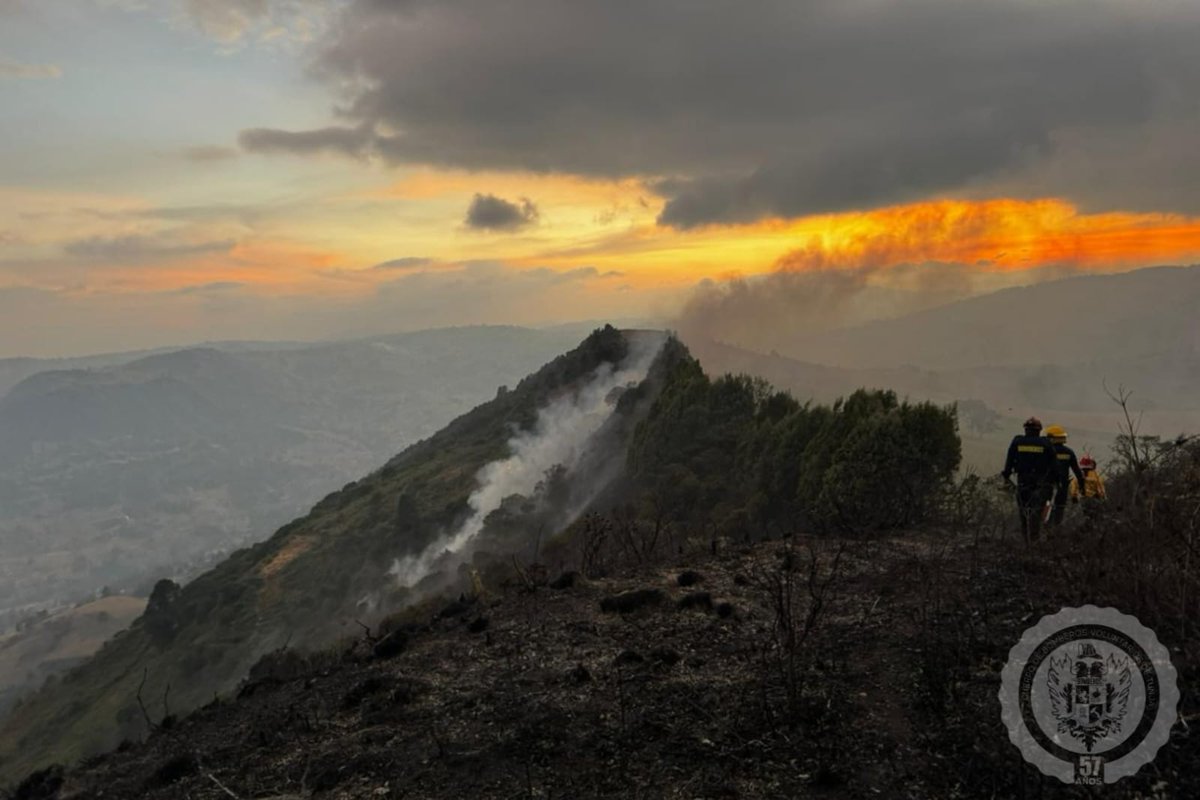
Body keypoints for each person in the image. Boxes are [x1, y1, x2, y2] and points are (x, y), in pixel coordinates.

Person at [1001, 417, 1059, 544]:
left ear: (1025, 429)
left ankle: (1025, 541)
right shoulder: (1046, 443)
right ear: (1039, 430)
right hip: (1040, 484)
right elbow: (1054, 467)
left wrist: (1006, 476)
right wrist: (1055, 483)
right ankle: (1034, 541)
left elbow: (1009, 462)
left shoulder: (1017, 441)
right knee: (1036, 513)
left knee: (1023, 512)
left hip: (1023, 482)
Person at [1045, 425, 1085, 527]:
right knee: (1059, 509)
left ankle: (1045, 529)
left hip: (1047, 486)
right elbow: (1077, 471)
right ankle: (1056, 531)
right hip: (1062, 486)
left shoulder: (1046, 451)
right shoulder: (1069, 452)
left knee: (1044, 510)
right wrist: (1082, 486)